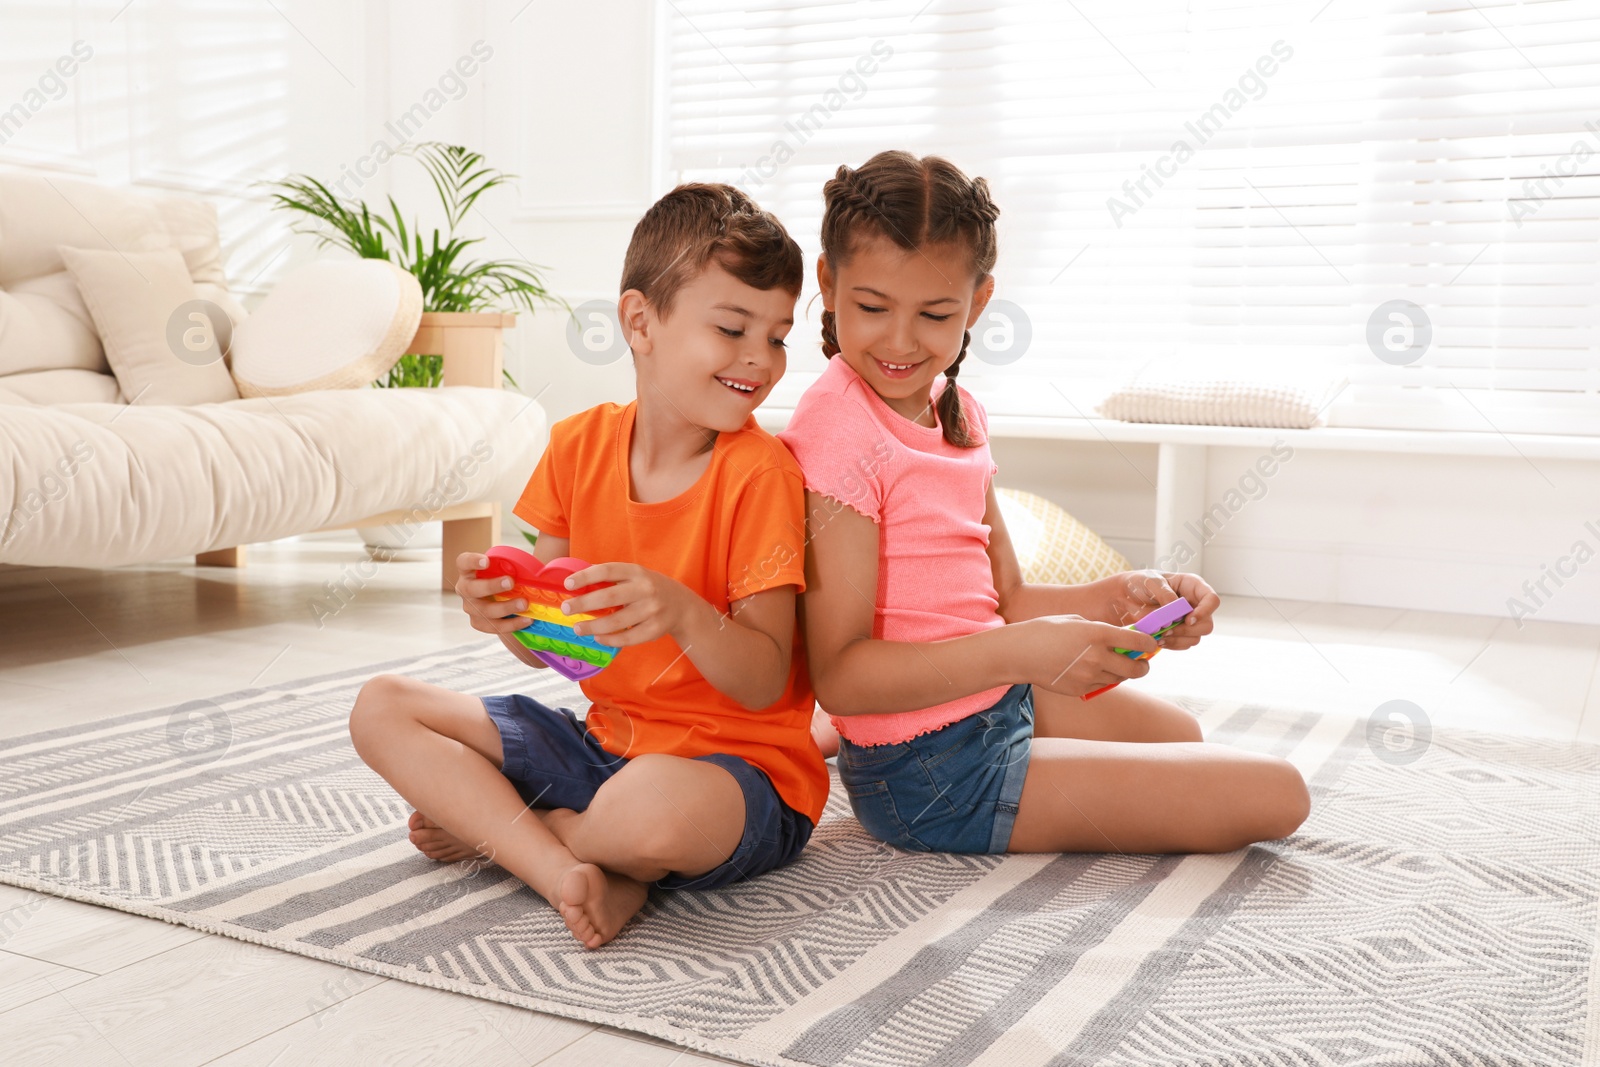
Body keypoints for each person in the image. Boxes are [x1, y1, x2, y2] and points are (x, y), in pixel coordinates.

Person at [778, 149, 1310, 858]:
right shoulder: (838, 431)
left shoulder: (957, 409)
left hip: (1001, 701)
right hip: (929, 772)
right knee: (1278, 791)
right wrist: (1024, 651)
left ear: (979, 302)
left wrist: (1119, 598)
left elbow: (1010, 596)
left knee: (1183, 737)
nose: (900, 341)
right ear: (829, 284)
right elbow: (840, 674)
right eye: (873, 307)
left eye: (935, 313)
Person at [350, 183, 827, 949]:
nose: (759, 359)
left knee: (649, 811)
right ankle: (572, 868)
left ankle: (515, 834)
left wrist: (682, 610)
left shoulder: (760, 475)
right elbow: (563, 649)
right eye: (734, 327)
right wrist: (508, 617)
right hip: (603, 743)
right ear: (640, 321)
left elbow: (767, 678)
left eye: (776, 336)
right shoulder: (577, 447)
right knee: (381, 705)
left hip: (737, 775)